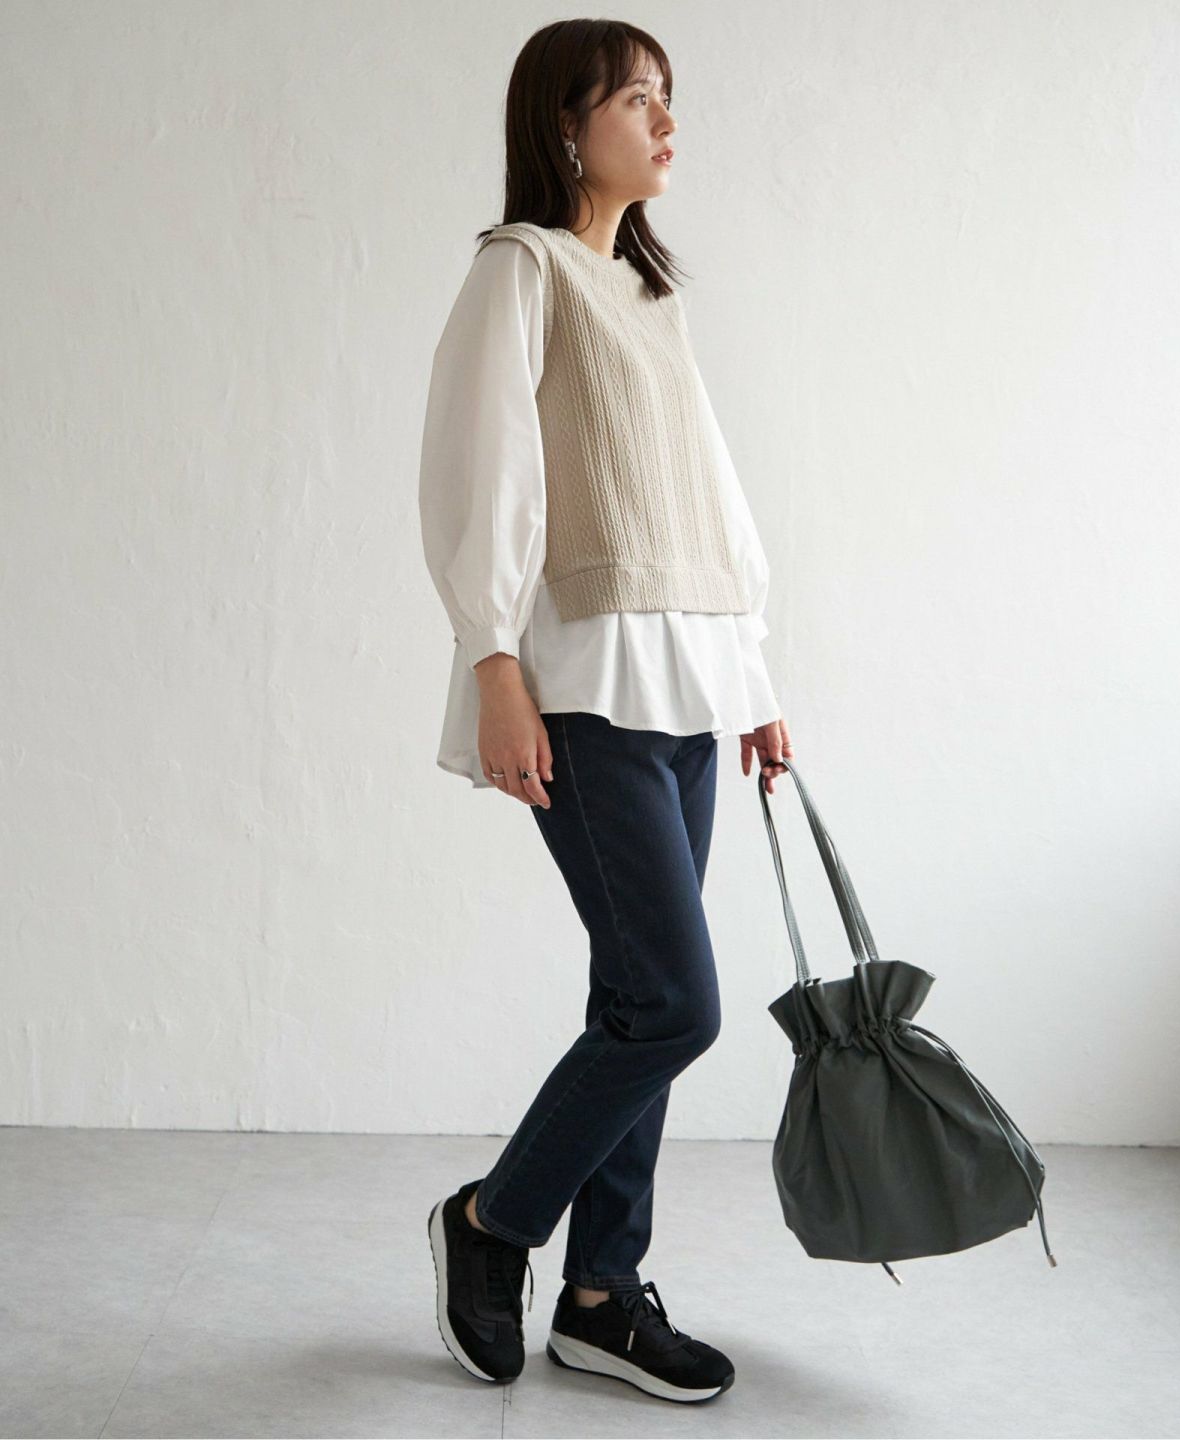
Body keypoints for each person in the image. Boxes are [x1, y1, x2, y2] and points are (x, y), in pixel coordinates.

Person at [418, 19, 792, 1405]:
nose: (665, 121)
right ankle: (491, 1221)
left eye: (666, 97)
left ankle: (599, 1295)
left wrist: (752, 677)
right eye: (637, 99)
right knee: (675, 1005)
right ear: (566, 127)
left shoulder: (649, 295)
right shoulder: (521, 270)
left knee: (637, 997)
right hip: (580, 689)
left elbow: (706, 502)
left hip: (687, 688)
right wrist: (491, 663)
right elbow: (479, 474)